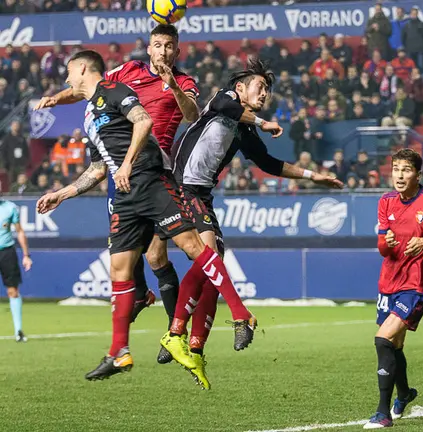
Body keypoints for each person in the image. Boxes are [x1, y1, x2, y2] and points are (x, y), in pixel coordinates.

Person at [34, 24, 284, 364]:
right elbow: (91, 88)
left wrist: (171, 85)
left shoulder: (184, 82)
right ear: (149, 49)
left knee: (180, 251)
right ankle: (152, 316)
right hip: (119, 168)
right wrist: (55, 98)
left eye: (169, 46)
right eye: (157, 45)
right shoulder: (128, 71)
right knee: (147, 256)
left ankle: (180, 330)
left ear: (177, 51)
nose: (163, 51)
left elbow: (192, 115)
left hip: (157, 169)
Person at [171, 59, 343, 389]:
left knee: (212, 262)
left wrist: (312, 176)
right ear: (241, 88)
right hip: (181, 186)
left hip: (201, 194)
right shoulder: (224, 100)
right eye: (259, 87)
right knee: (207, 260)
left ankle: (192, 344)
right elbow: (225, 106)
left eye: (267, 90)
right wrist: (263, 122)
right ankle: (187, 328)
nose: (264, 93)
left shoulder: (245, 129)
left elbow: (268, 163)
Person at [364, 149, 423, 429]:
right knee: (395, 345)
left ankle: (382, 413)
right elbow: (382, 249)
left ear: (418, 174)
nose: (399, 175)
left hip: (416, 285)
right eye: (396, 169)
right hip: (388, 282)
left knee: (382, 339)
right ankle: (404, 394)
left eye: (406, 170)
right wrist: (387, 242)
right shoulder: (385, 201)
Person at [0, 197, 32, 342]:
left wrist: (26, 255)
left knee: (12, 290)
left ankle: (18, 330)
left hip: (6, 252)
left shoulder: (10, 207)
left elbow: (19, 231)